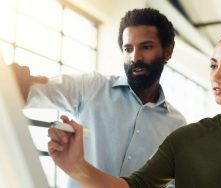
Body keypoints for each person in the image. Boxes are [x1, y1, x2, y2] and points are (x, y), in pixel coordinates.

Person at [48, 30, 221, 188]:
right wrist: (76, 166)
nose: (217, 76)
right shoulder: (186, 139)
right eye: (214, 65)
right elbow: (133, 187)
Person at [12, 8, 186, 187]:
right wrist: (14, 82)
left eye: (146, 47)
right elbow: (29, 92)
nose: (135, 57)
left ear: (167, 51)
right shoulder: (92, 87)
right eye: (128, 49)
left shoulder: (177, 125)